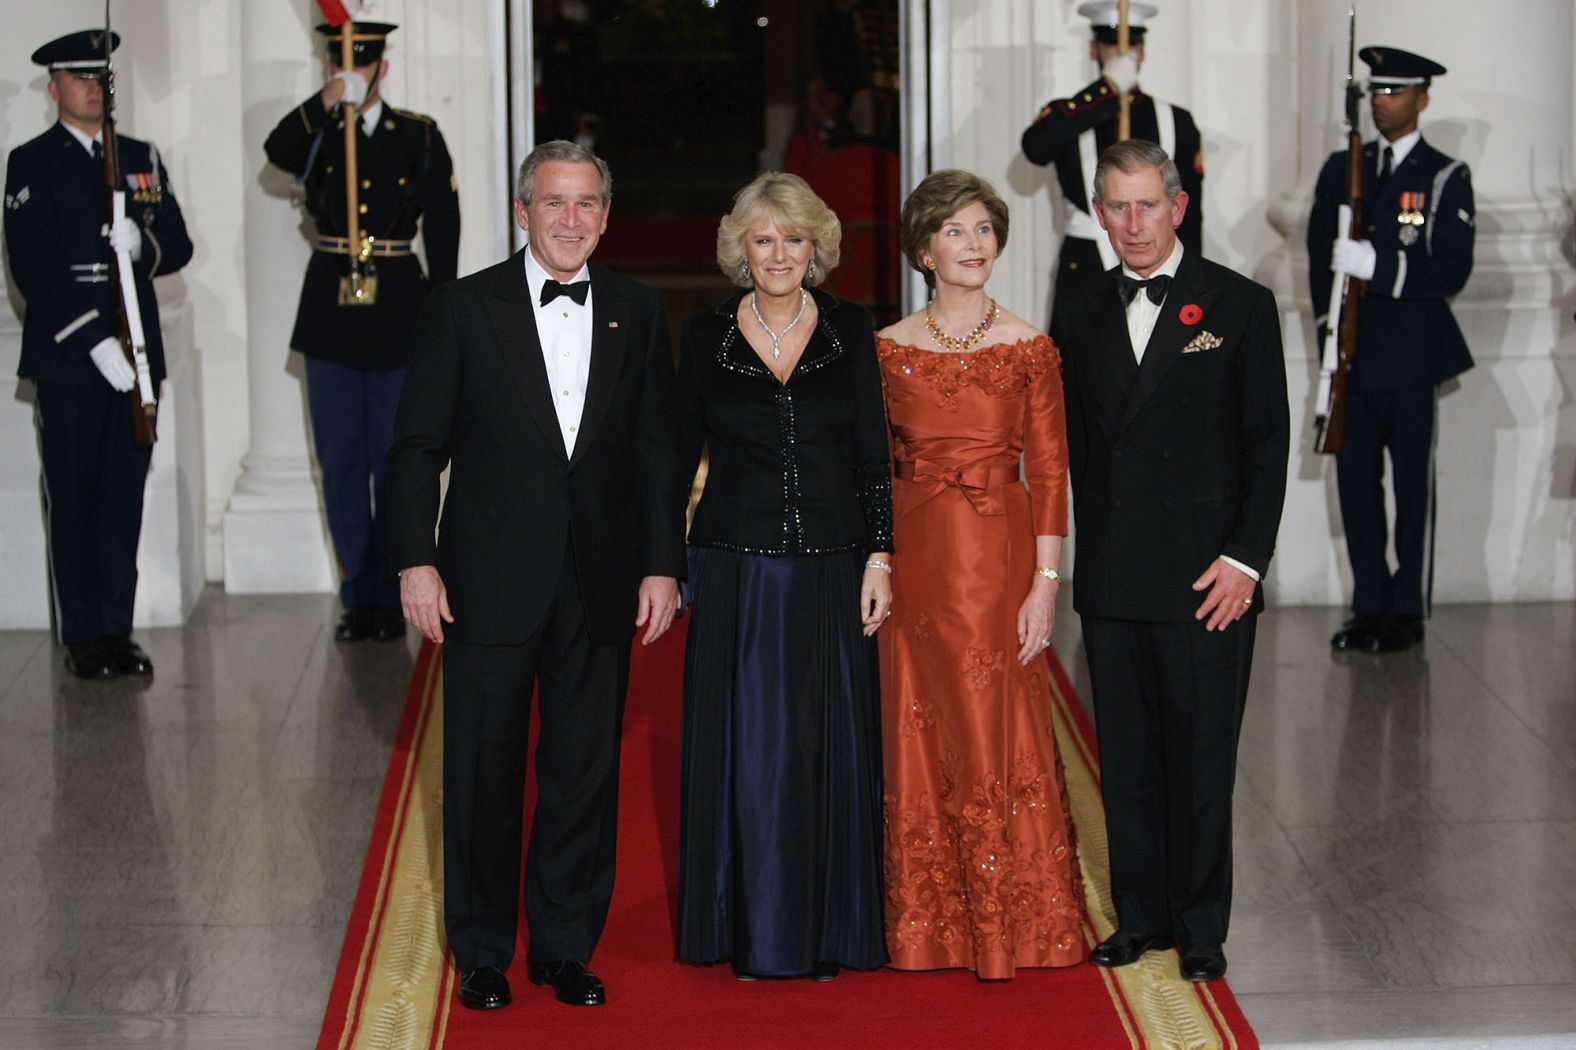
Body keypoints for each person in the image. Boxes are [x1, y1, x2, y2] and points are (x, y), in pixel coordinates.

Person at [387, 141, 685, 1011]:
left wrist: (663, 565)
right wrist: (416, 557)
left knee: (585, 768)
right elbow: (414, 450)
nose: (569, 219)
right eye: (553, 202)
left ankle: (563, 945)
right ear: (522, 211)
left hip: (599, 574)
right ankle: (482, 950)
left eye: (586, 203)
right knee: (482, 769)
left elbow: (658, 454)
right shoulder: (464, 308)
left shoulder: (636, 307)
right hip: (486, 576)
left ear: (605, 214)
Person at [1052, 140, 1288, 982]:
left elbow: (1268, 446)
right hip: (1116, 577)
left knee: (1199, 758)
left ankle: (1201, 926)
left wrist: (1246, 562)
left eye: (1148, 204)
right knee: (1128, 758)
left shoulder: (1240, 304)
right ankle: (1140, 918)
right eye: (1116, 206)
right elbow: (1064, 449)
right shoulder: (1076, 308)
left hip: (1208, 580)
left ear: (1179, 207)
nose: (1133, 223)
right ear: (1098, 212)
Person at [674, 172, 892, 981]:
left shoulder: (850, 328)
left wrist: (881, 557)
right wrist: (667, 564)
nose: (778, 254)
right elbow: (671, 457)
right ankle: (742, 920)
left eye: (793, 239)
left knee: (824, 749)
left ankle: (831, 925)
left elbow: (875, 456)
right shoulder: (703, 336)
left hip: (836, 570)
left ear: (817, 247)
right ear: (741, 248)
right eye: (763, 240)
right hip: (735, 571)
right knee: (749, 750)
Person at [875, 170, 1086, 978]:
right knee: (918, 723)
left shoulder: (1029, 345)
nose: (973, 245)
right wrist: (879, 562)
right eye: (956, 231)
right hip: (916, 557)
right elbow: (876, 468)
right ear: (925, 248)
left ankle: (1013, 924)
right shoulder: (888, 349)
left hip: (999, 562)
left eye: (985, 230)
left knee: (993, 719)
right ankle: (929, 922)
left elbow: (1054, 472)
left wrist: (1046, 583)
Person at [264, 20, 460, 643]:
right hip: (332, 312)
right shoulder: (322, 134)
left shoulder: (419, 135)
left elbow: (444, 229)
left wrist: (443, 312)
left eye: (364, 64)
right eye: (341, 65)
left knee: (396, 461)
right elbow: (276, 151)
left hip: (400, 307)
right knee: (342, 461)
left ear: (383, 67)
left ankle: (401, 582)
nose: (352, 73)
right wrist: (327, 104)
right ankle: (360, 595)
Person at [4, 29, 192, 679]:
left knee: (122, 498)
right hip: (72, 358)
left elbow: (179, 243)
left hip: (136, 350)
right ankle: (83, 634)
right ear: (53, 87)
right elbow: (35, 265)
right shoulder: (31, 163)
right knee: (75, 494)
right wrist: (92, 341)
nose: (93, 87)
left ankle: (117, 627)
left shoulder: (137, 156)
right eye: (78, 77)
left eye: (101, 77)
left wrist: (145, 243)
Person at [1308, 47, 1473, 654]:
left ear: (1422, 99)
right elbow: (1315, 256)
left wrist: (1379, 265)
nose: (1383, 103)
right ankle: (1369, 604)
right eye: (1377, 92)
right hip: (1352, 357)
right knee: (1356, 487)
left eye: (1396, 92)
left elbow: (1451, 268)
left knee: (1410, 488)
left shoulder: (1443, 175)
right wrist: (1331, 331)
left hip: (1411, 355)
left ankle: (1408, 609)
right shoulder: (1341, 169)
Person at [1021, 1, 1203, 326]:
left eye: (1132, 43)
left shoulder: (1176, 120)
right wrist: (1108, 87)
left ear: (1143, 50)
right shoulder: (1071, 115)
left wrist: (1191, 279)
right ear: (1094, 50)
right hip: (1088, 264)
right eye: (1109, 43)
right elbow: (1036, 148)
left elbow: (1191, 212)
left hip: (1159, 260)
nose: (1122, 53)